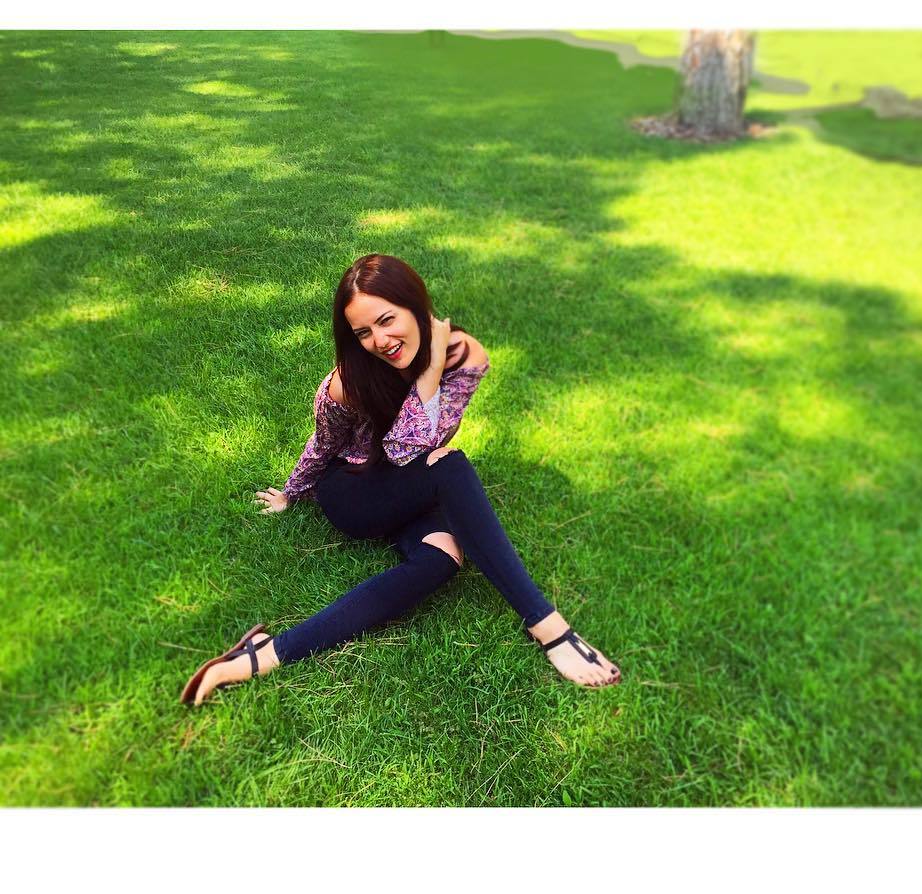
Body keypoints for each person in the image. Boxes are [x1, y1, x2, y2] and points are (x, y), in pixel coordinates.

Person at [181, 253, 621, 705]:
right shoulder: (348, 381)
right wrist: (292, 493)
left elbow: (421, 445)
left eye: (387, 320)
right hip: (353, 491)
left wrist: (438, 363)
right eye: (363, 332)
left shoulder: (465, 357)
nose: (380, 341)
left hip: (410, 482)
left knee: (443, 558)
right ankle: (549, 627)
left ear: (414, 304)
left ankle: (262, 654)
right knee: (450, 465)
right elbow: (337, 445)